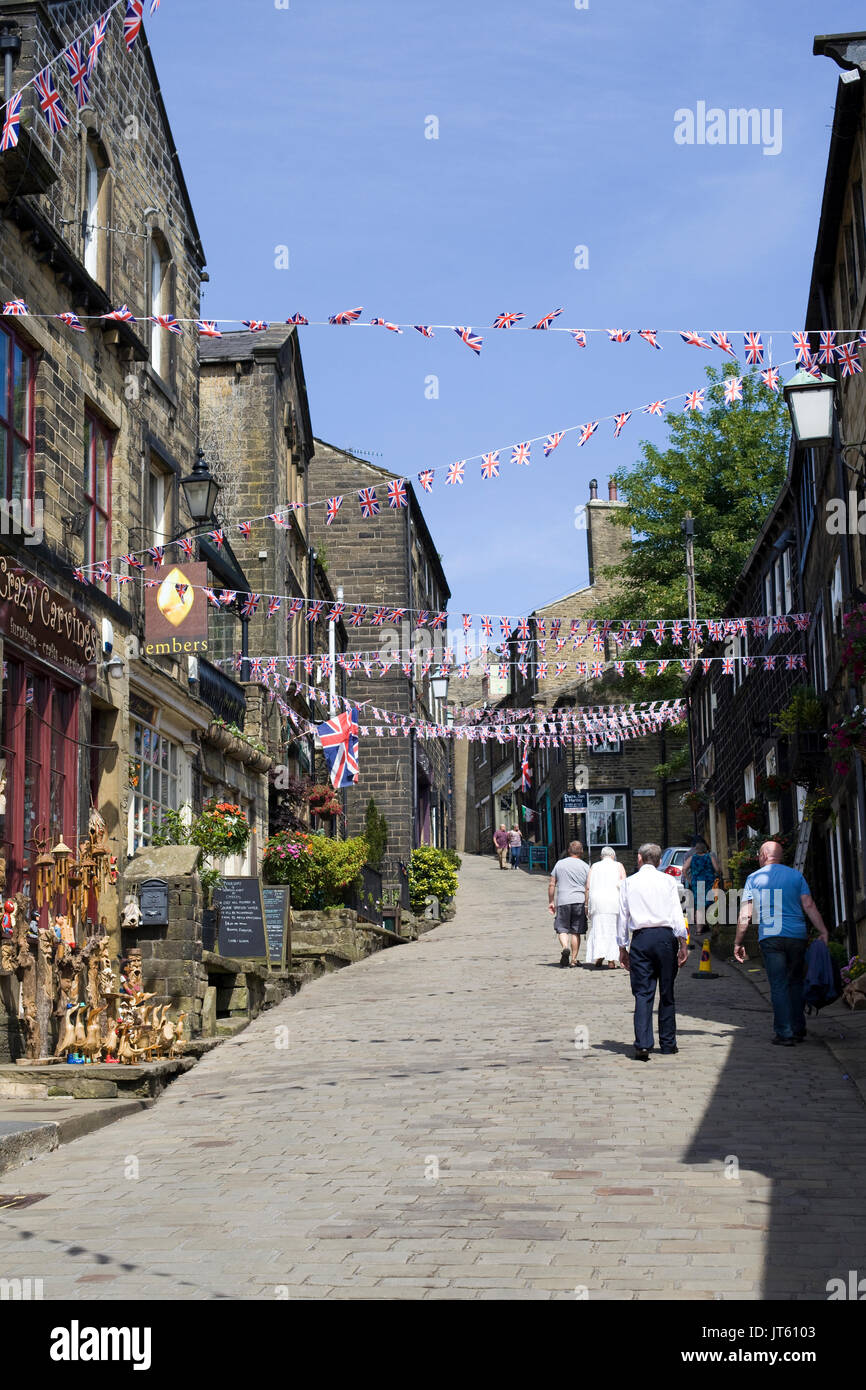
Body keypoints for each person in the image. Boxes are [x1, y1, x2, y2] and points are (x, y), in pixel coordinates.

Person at [733, 840, 830, 1046]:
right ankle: (798, 1028)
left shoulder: (753, 878)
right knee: (795, 981)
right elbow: (809, 905)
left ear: (762, 856)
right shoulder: (796, 876)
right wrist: (823, 930)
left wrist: (738, 942)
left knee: (778, 984)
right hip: (797, 935)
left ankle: (784, 1033)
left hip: (771, 937)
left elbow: (745, 915)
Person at [617, 843, 689, 1060]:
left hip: (642, 939)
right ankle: (668, 1043)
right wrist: (683, 942)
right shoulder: (668, 881)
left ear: (639, 858)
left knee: (643, 993)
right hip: (666, 938)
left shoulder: (629, 882)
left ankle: (643, 1043)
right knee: (667, 991)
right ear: (659, 861)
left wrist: (622, 947)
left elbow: (623, 916)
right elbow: (677, 913)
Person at [548, 840, 589, 967]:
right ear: (581, 851)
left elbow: (552, 884)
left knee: (562, 928)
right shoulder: (585, 866)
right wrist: (587, 903)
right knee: (576, 931)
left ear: (569, 851)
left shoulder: (559, 864)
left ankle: (565, 947)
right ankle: (573, 960)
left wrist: (551, 901)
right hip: (579, 900)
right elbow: (588, 887)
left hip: (564, 900)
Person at [586, 846, 626, 968]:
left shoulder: (594, 866)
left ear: (601, 856)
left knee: (599, 929)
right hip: (614, 901)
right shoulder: (619, 865)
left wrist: (586, 904)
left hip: (598, 902)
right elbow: (624, 884)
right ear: (613, 856)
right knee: (614, 930)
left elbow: (587, 886)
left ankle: (599, 955)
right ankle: (611, 960)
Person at [682, 839, 721, 934]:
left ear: (696, 850)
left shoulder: (692, 858)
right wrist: (717, 874)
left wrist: (689, 879)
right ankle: (712, 927)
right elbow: (717, 869)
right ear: (705, 849)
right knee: (710, 904)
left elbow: (684, 869)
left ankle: (699, 930)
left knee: (699, 907)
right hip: (709, 883)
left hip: (697, 884)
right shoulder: (710, 857)